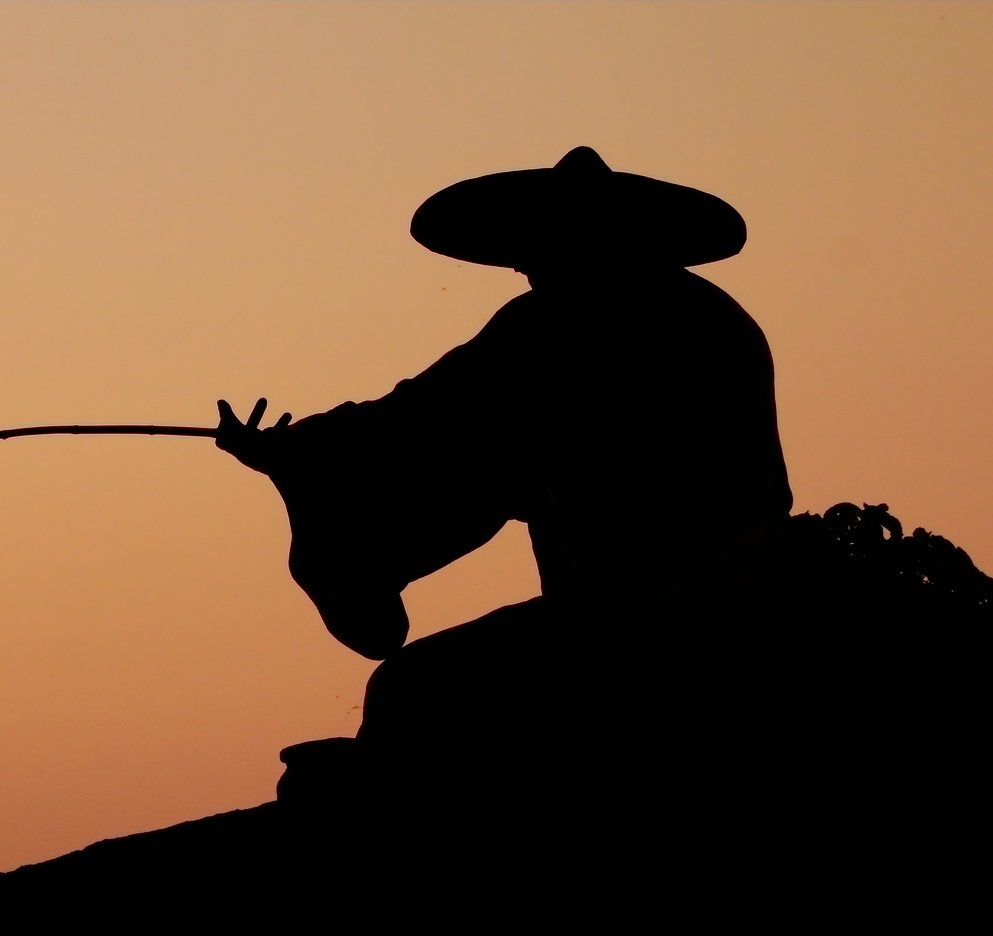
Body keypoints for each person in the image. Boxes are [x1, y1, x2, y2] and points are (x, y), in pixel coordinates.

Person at [217, 147, 796, 766]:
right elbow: (447, 421)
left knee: (408, 690)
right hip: (743, 585)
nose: (525, 268)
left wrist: (299, 451)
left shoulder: (559, 320)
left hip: (661, 609)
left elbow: (423, 414)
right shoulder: (718, 316)